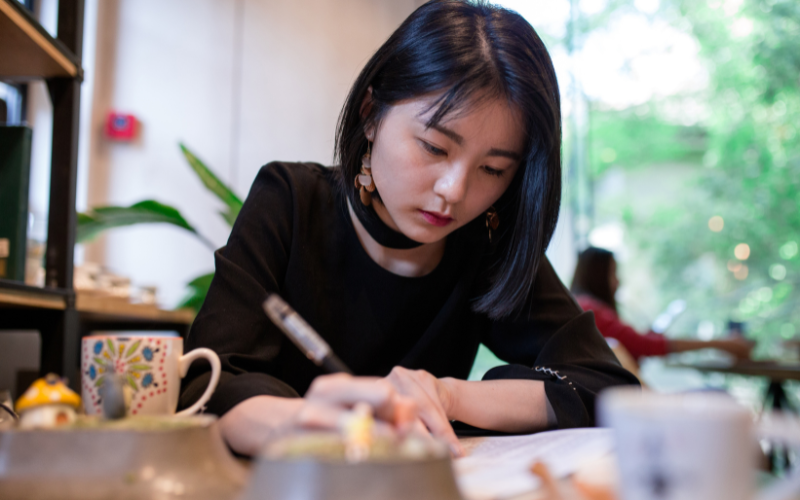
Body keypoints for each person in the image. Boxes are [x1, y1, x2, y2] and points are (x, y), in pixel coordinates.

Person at [179, 0, 639, 457]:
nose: (455, 190)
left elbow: (604, 385)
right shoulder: (293, 202)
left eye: (493, 170)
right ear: (371, 112)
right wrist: (300, 424)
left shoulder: (486, 239)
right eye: (434, 147)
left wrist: (448, 396)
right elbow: (210, 381)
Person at [571, 247, 753, 363]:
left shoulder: (582, 305)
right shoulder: (591, 310)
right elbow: (644, 345)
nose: (618, 281)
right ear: (597, 277)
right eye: (613, 273)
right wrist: (722, 344)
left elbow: (638, 344)